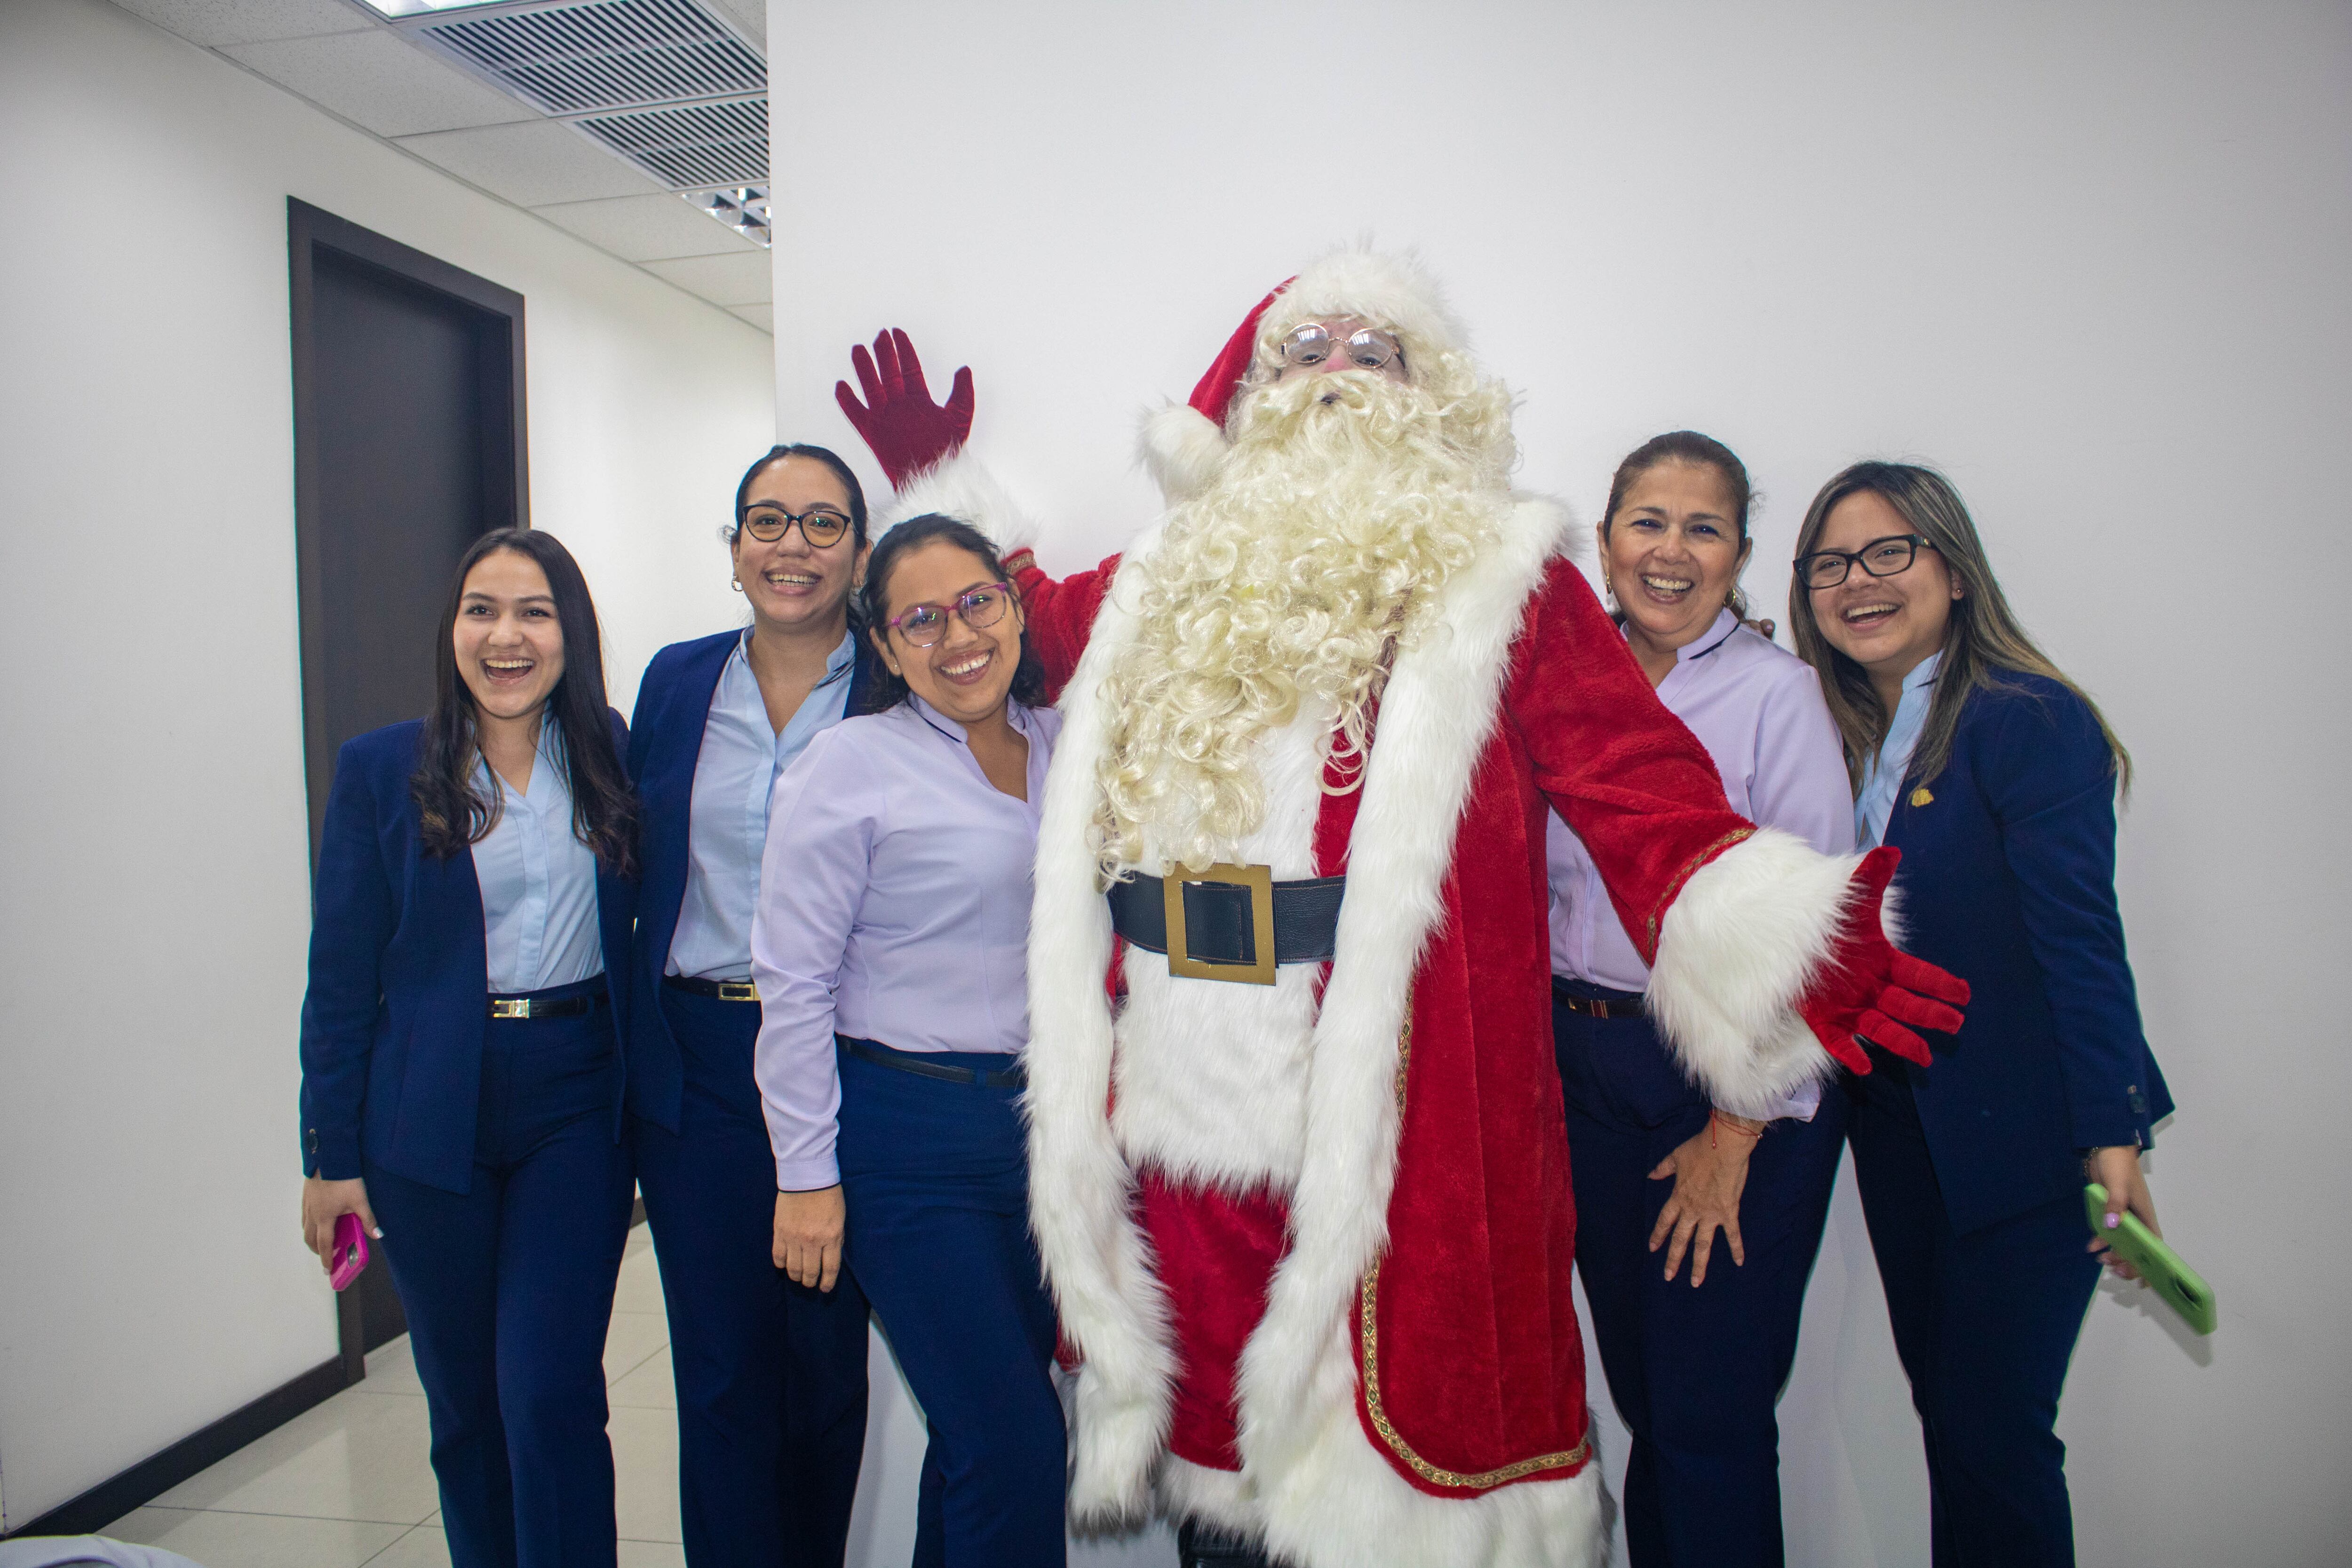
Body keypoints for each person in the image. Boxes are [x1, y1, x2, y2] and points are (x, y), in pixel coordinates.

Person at [833, 247, 1967, 1568]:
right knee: (1224, 1460)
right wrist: (937, 489)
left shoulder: (1503, 574)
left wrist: (1785, 935)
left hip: (1401, 1096)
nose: (1336, 376)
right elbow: (1021, 629)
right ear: (1249, 397)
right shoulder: (1165, 573)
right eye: (1305, 351)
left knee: (1397, 1450)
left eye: (1372, 352)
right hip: (1183, 1101)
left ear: (1431, 393)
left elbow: (1633, 775)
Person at [1786, 461, 2174, 1568]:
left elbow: (2079, 938)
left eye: (1887, 551)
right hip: (1903, 1129)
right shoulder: (1848, 736)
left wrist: (2112, 1134)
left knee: (1995, 1441)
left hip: (2024, 1137)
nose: (1857, 581)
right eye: (1829, 564)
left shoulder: (2024, 717)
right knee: (1956, 1429)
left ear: (1953, 570)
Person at [297, 528, 638, 1568]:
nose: (505, 636)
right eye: (481, 610)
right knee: (466, 1403)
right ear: (452, 630)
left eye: (534, 611)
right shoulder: (382, 768)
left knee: (549, 1390)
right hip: (428, 1110)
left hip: (574, 1096)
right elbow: (341, 978)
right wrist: (329, 1155)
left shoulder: (611, 749)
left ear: (570, 632)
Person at [1548, 433, 1852, 1567]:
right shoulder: (1560, 686)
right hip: (1584, 1072)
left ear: (1738, 554)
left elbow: (1821, 934)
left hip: (1726, 1081)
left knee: (1706, 1411)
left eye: (1702, 528)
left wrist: (1735, 1128)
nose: (1669, 552)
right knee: (1644, 1396)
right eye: (1647, 522)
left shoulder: (1777, 695)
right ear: (1604, 541)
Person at [753, 515, 1066, 1568]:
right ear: (885, 647)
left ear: (1014, 607)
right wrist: (806, 1175)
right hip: (905, 1139)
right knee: (1016, 1447)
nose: (958, 636)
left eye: (978, 603)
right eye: (920, 620)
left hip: (1045, 1139)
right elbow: (793, 982)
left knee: (977, 1445)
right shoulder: (850, 764)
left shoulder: (1069, 744)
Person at [624, 445, 882, 1568]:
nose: (793, 545)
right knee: (721, 1371)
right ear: (734, 548)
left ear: (860, 555)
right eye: (767, 521)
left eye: (824, 523)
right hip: (701, 1058)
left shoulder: (896, 680)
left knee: (824, 1374)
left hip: (847, 1058)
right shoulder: (677, 682)